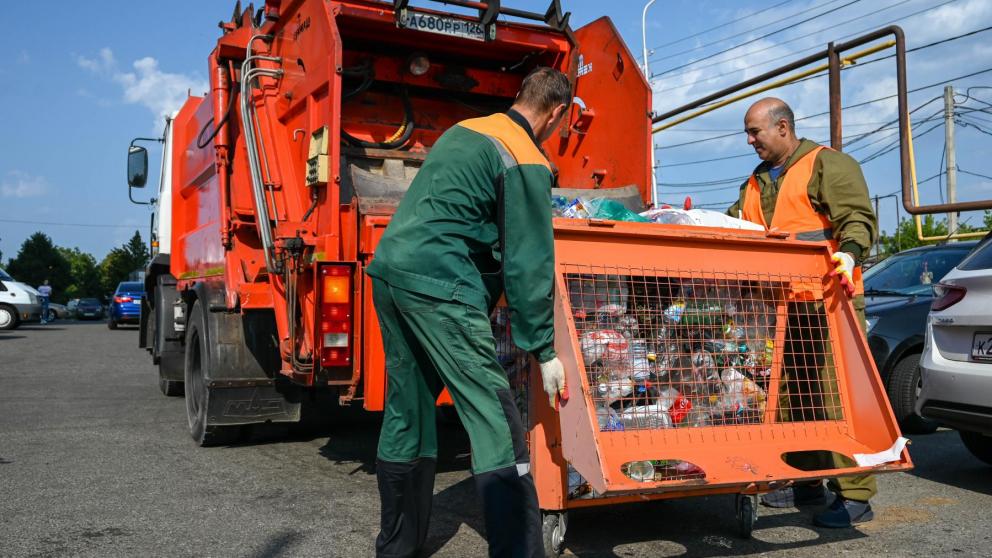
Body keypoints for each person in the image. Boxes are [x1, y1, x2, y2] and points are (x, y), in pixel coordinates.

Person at [365, 66, 571, 557]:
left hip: (392, 272)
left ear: (520, 95)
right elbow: (528, 260)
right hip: (440, 282)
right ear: (558, 113)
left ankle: (397, 548)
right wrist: (543, 349)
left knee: (407, 413)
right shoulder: (524, 155)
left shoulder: (467, 130)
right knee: (496, 420)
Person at [727, 97, 878, 528]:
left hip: (830, 301)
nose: (749, 140)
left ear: (782, 128)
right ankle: (805, 480)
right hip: (781, 305)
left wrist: (849, 254)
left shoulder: (827, 165)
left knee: (836, 395)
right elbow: (735, 226)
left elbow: (857, 219)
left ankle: (854, 493)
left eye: (755, 131)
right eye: (747, 132)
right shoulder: (754, 183)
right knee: (793, 396)